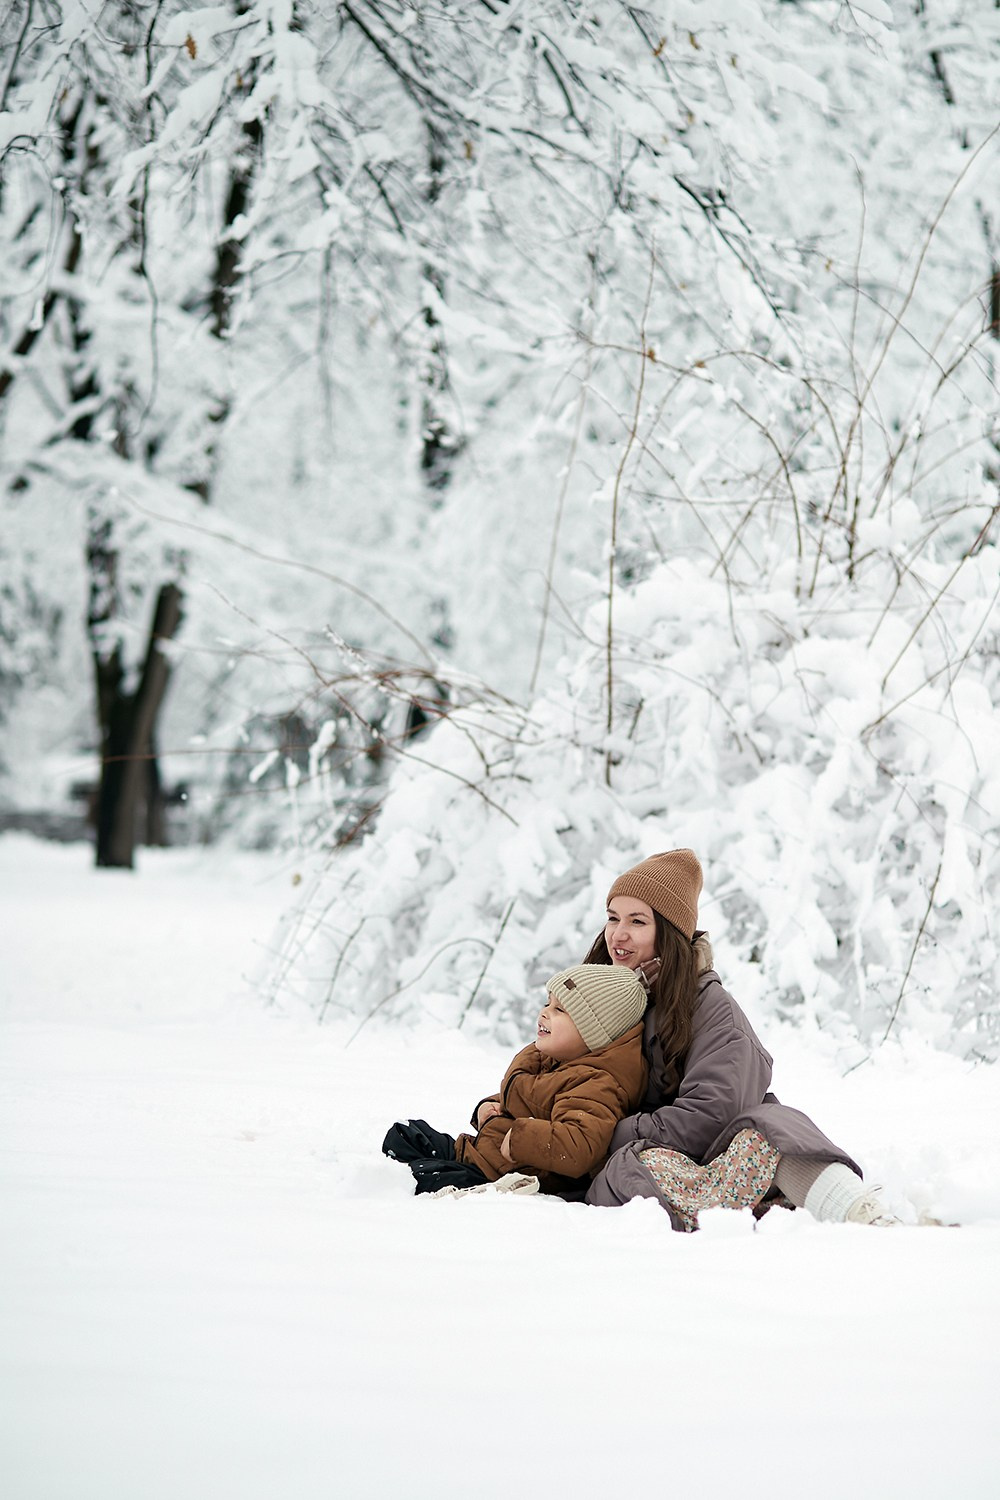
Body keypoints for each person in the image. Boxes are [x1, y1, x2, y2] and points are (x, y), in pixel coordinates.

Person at [583, 849, 900, 1230]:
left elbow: (709, 1114)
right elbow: (545, 1064)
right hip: (623, 1156)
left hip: (706, 1154)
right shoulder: (592, 995)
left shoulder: (712, 1010)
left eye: (637, 921)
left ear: (668, 933)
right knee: (630, 1166)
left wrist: (605, 1132)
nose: (618, 934)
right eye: (613, 918)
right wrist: (498, 1106)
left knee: (772, 1127)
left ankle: (859, 1214)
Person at [383, 963, 649, 1197]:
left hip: (500, 1174)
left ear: (594, 1033)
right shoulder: (560, 1061)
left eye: (560, 1010)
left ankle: (386, 1190)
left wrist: (522, 1138)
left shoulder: (596, 1084)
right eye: (548, 1003)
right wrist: (489, 1108)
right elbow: (531, 1102)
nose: (545, 1013)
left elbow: (579, 1146)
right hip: (482, 1153)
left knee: (420, 1177)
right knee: (405, 1134)